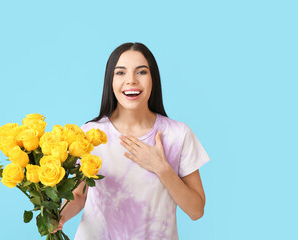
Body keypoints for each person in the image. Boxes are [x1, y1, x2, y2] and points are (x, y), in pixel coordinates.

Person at [52, 42, 210, 239]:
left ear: (153, 79)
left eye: (141, 72)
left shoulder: (178, 134)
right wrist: (59, 217)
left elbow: (196, 211)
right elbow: (79, 195)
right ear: (110, 80)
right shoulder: (90, 136)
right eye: (120, 73)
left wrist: (162, 169)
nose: (131, 80)